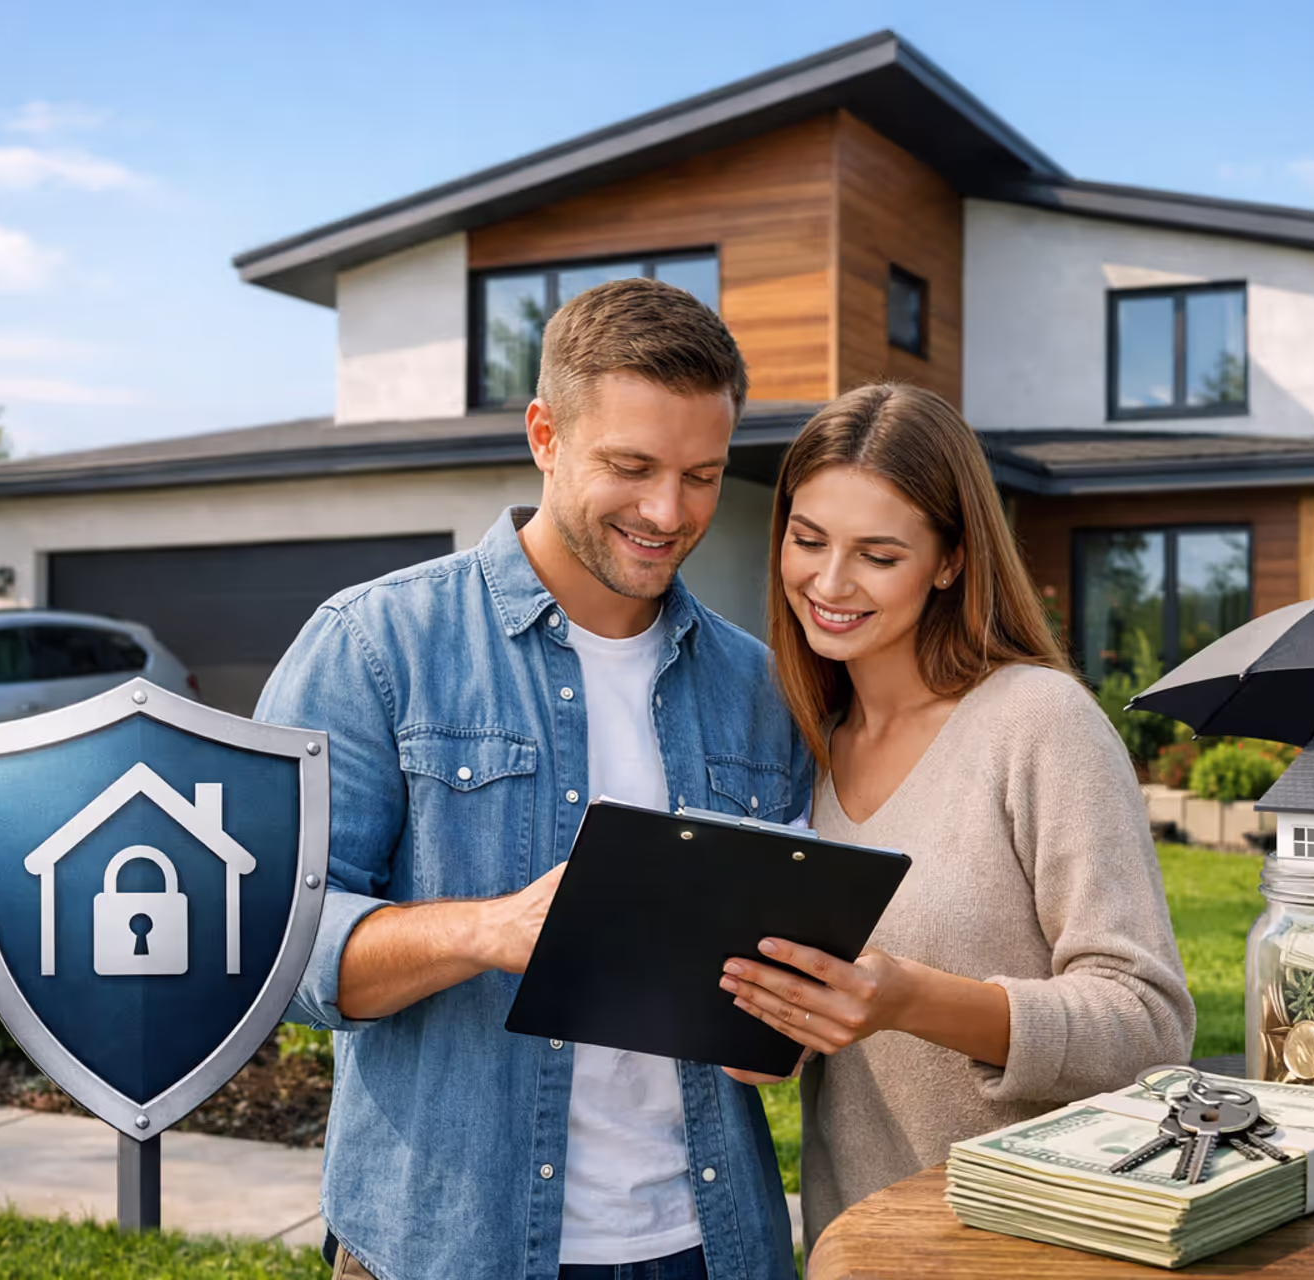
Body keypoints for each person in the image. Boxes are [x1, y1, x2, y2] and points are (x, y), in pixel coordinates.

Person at [258, 278, 811, 1280]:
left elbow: (781, 990)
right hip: (447, 1246)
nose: (668, 510)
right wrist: (487, 929)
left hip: (709, 1247)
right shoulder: (378, 648)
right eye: (632, 466)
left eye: (702, 475)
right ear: (545, 435)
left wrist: (783, 1015)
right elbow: (271, 949)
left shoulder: (760, 690)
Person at [717, 383, 1197, 1250]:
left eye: (878, 554)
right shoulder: (803, 749)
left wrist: (909, 999)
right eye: (808, 539)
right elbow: (840, 1028)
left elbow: (1148, 1023)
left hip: (1029, 1247)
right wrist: (773, 1026)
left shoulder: (1037, 722)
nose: (828, 582)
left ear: (949, 559)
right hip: (860, 1248)